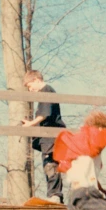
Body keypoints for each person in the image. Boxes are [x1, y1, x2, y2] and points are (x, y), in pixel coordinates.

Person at [21, 70, 66, 203]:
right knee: (49, 163)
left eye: (30, 86)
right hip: (48, 135)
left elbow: (45, 114)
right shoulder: (46, 92)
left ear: (36, 80)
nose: (30, 90)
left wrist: (31, 124)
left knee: (50, 162)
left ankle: (55, 195)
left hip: (51, 135)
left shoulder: (46, 91)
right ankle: (54, 194)